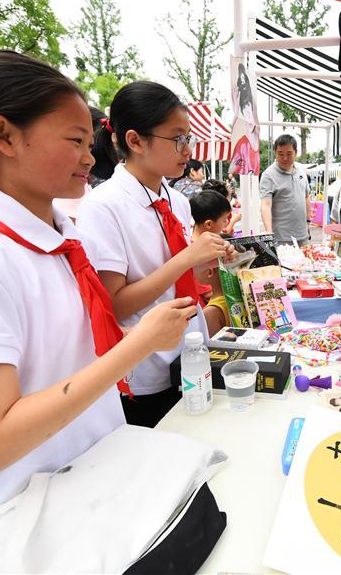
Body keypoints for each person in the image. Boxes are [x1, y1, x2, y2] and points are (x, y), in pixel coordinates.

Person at [0, 51, 197, 541]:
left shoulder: (59, 241)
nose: (90, 158)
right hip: (14, 525)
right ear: (3, 135)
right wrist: (140, 342)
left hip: (82, 495)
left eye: (90, 142)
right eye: (74, 141)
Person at [78, 81, 234, 428]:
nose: (187, 150)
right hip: (145, 367)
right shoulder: (103, 207)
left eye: (189, 138)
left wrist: (213, 260)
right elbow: (114, 305)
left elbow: (180, 281)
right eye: (177, 138)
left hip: (191, 352)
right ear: (135, 140)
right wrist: (187, 258)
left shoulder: (177, 201)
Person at [189, 188, 233, 333]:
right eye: (224, 220)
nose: (226, 224)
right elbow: (207, 292)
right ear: (208, 224)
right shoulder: (201, 253)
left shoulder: (193, 247)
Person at [259, 134, 309, 245]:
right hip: (281, 238)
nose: (285, 158)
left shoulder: (301, 170)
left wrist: (308, 221)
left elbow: (306, 196)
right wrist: (268, 231)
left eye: (289, 153)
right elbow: (266, 204)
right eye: (280, 154)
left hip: (303, 235)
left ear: (296, 152)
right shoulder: (268, 175)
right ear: (275, 153)